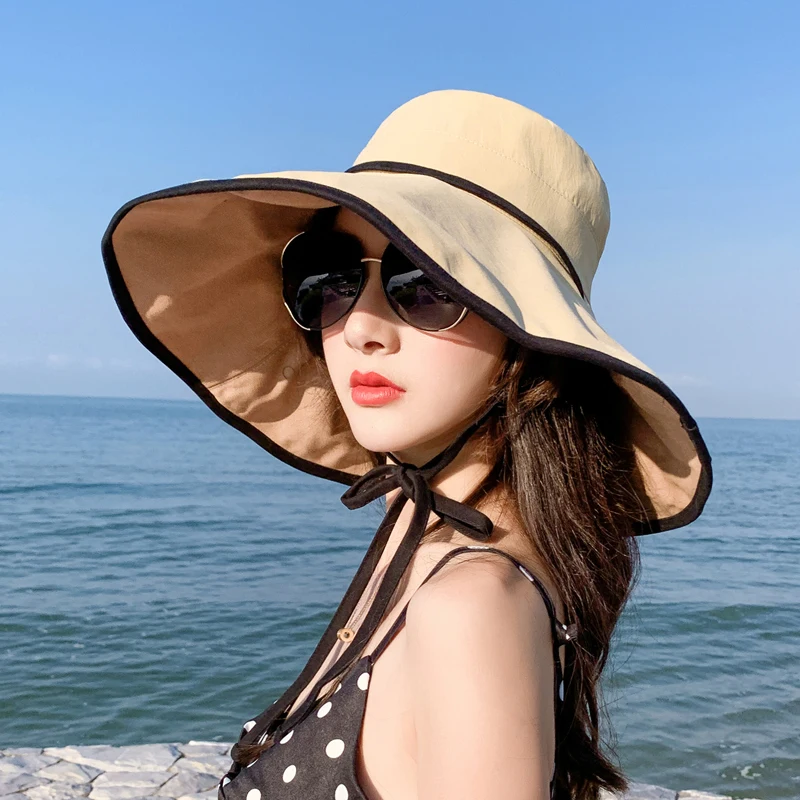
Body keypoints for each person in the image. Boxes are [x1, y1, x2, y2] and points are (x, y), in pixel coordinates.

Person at [101, 89, 713, 800]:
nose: (360, 327)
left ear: (526, 337)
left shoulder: (470, 605)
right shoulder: (422, 530)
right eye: (331, 278)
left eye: (424, 285)